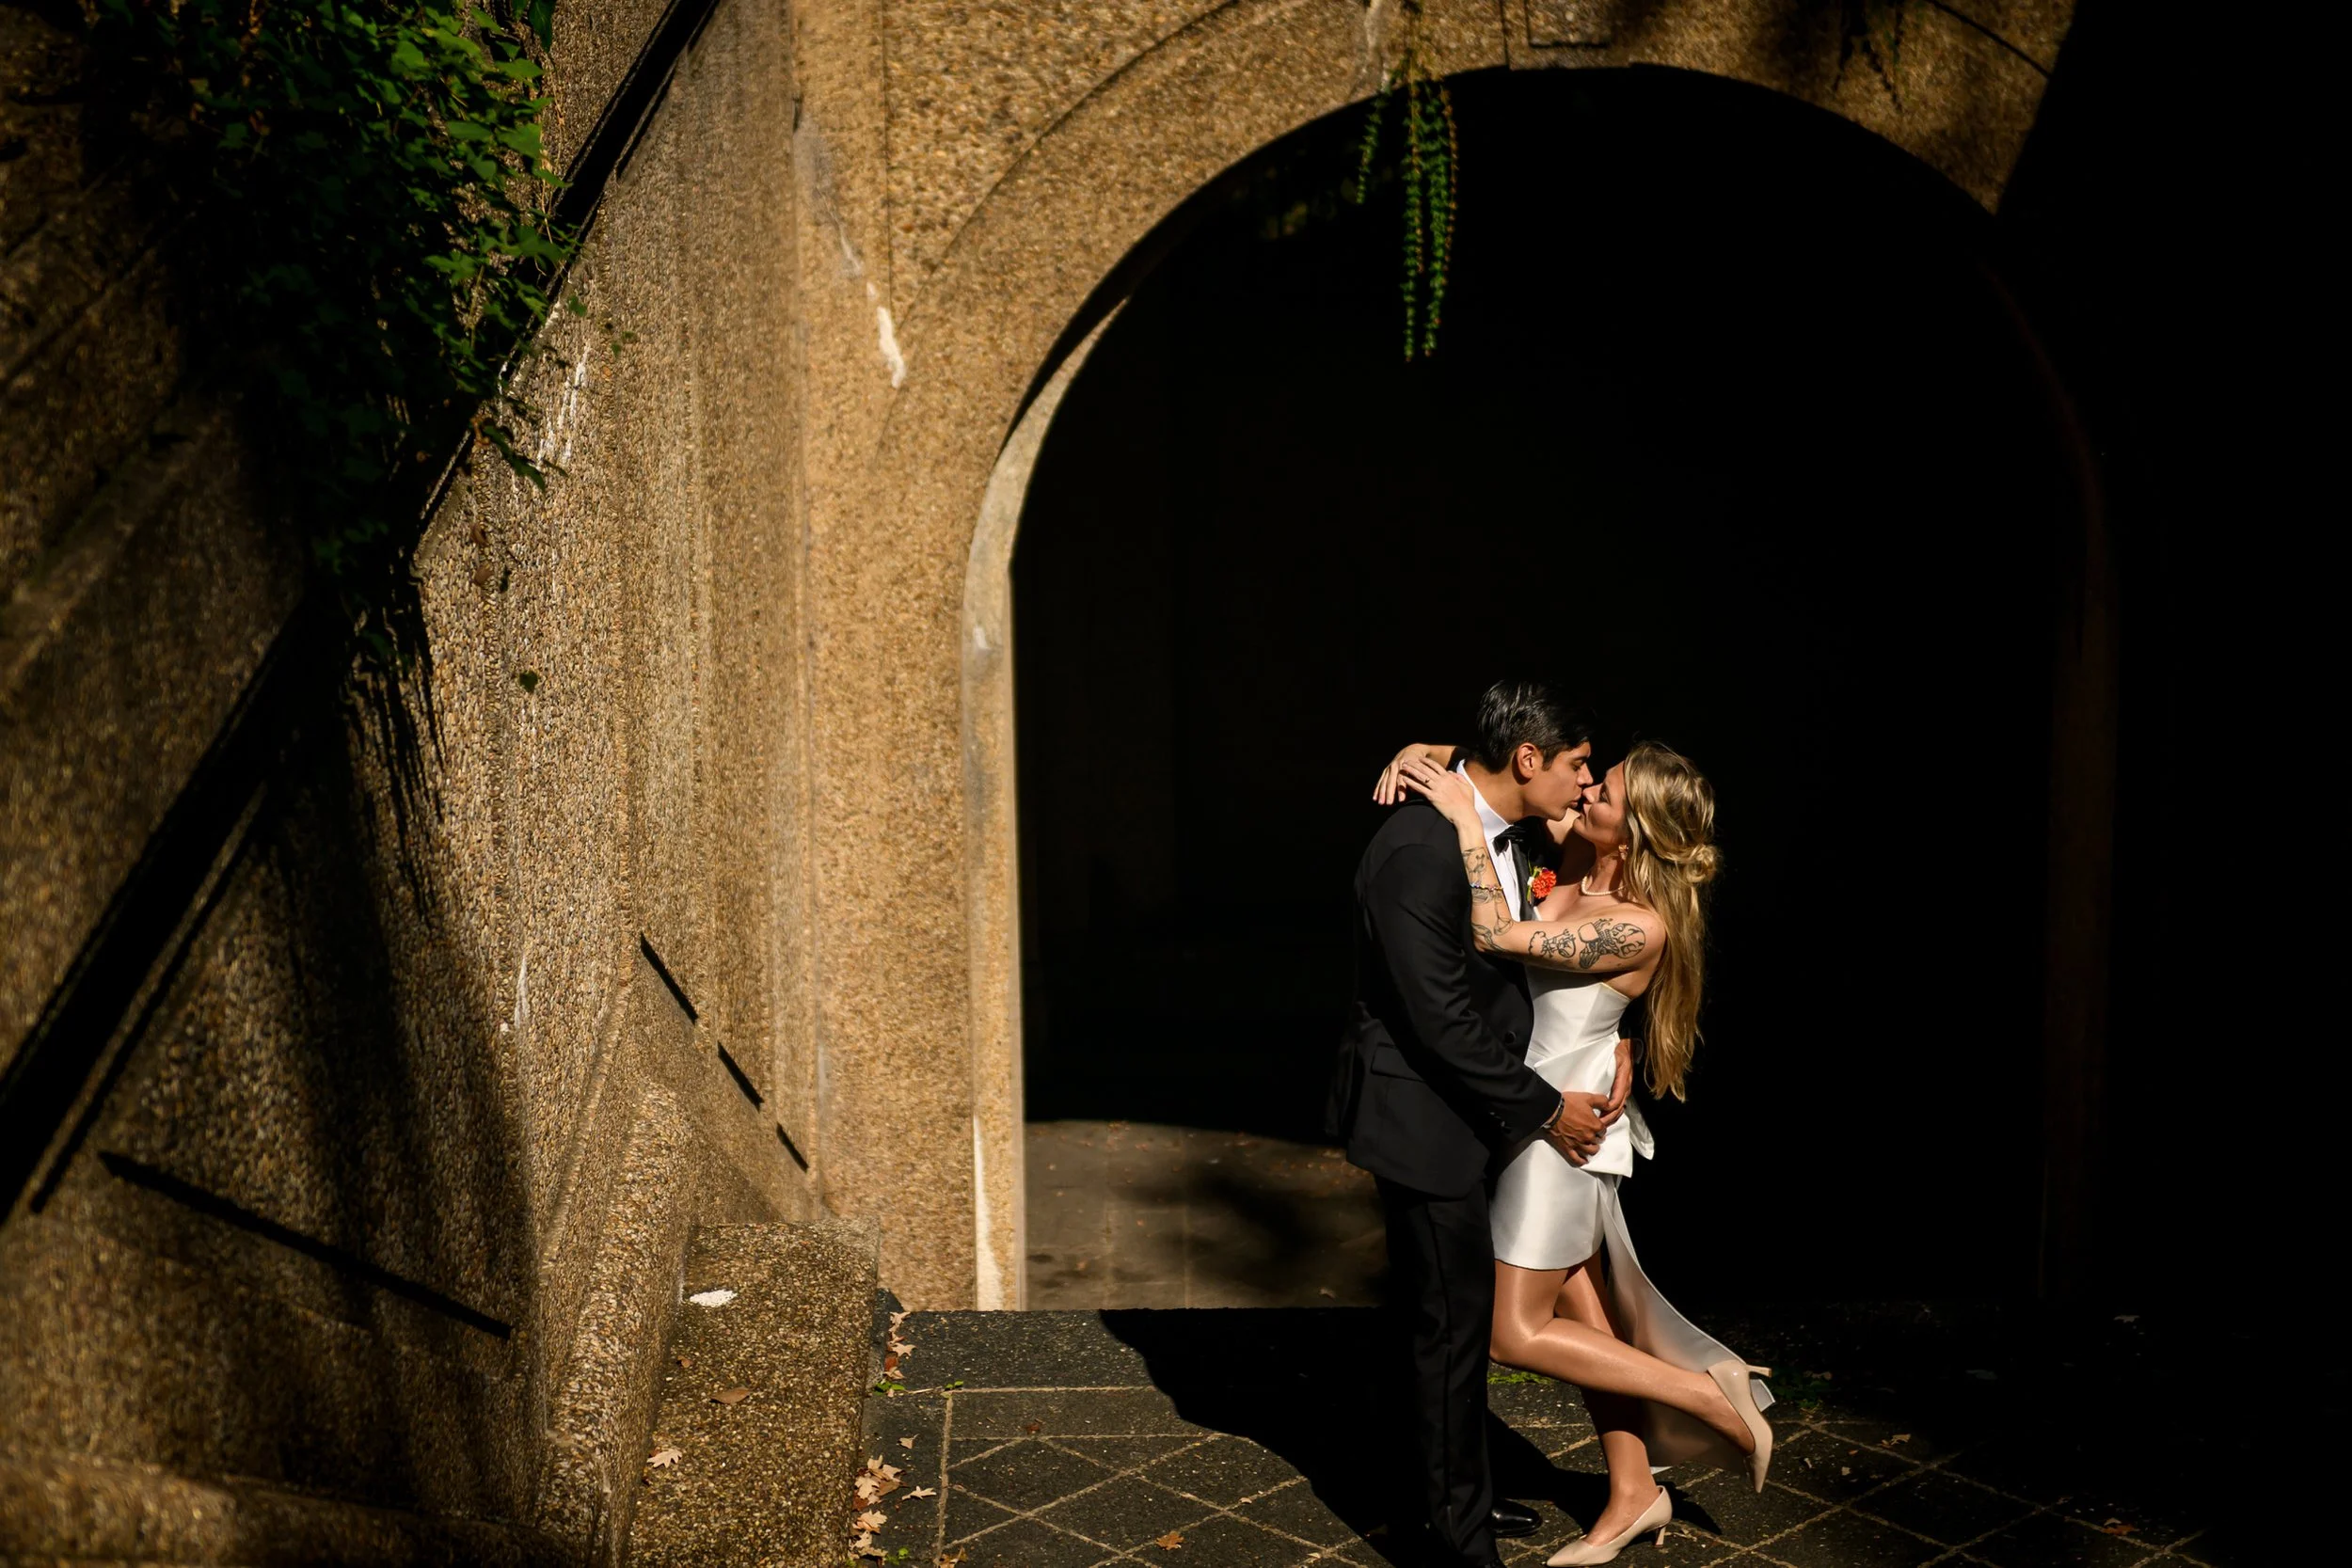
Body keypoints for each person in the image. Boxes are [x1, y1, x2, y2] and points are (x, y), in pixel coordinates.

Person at [1391, 738, 1772, 1566]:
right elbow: (1512, 763)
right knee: (1585, 1311)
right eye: (1595, 775)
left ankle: (1707, 1392)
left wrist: (1458, 813)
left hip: (1559, 1136)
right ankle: (1635, 1492)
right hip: (1537, 1114)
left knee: (1512, 1331)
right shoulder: (1578, 855)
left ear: (1632, 830)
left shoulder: (1636, 925)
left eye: (1609, 790)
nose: (1589, 787)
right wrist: (1431, 755)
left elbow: (1494, 933)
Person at [1327, 680, 1626, 1568]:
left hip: (1469, 1115)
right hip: (1422, 1121)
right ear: (1530, 759)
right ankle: (1455, 1541)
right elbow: (1440, 1018)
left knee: (1450, 1326)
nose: (1584, 783)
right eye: (1576, 765)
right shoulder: (1419, 850)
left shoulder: (1510, 823)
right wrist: (1545, 1109)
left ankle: (1460, 1497)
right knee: (1451, 1330)